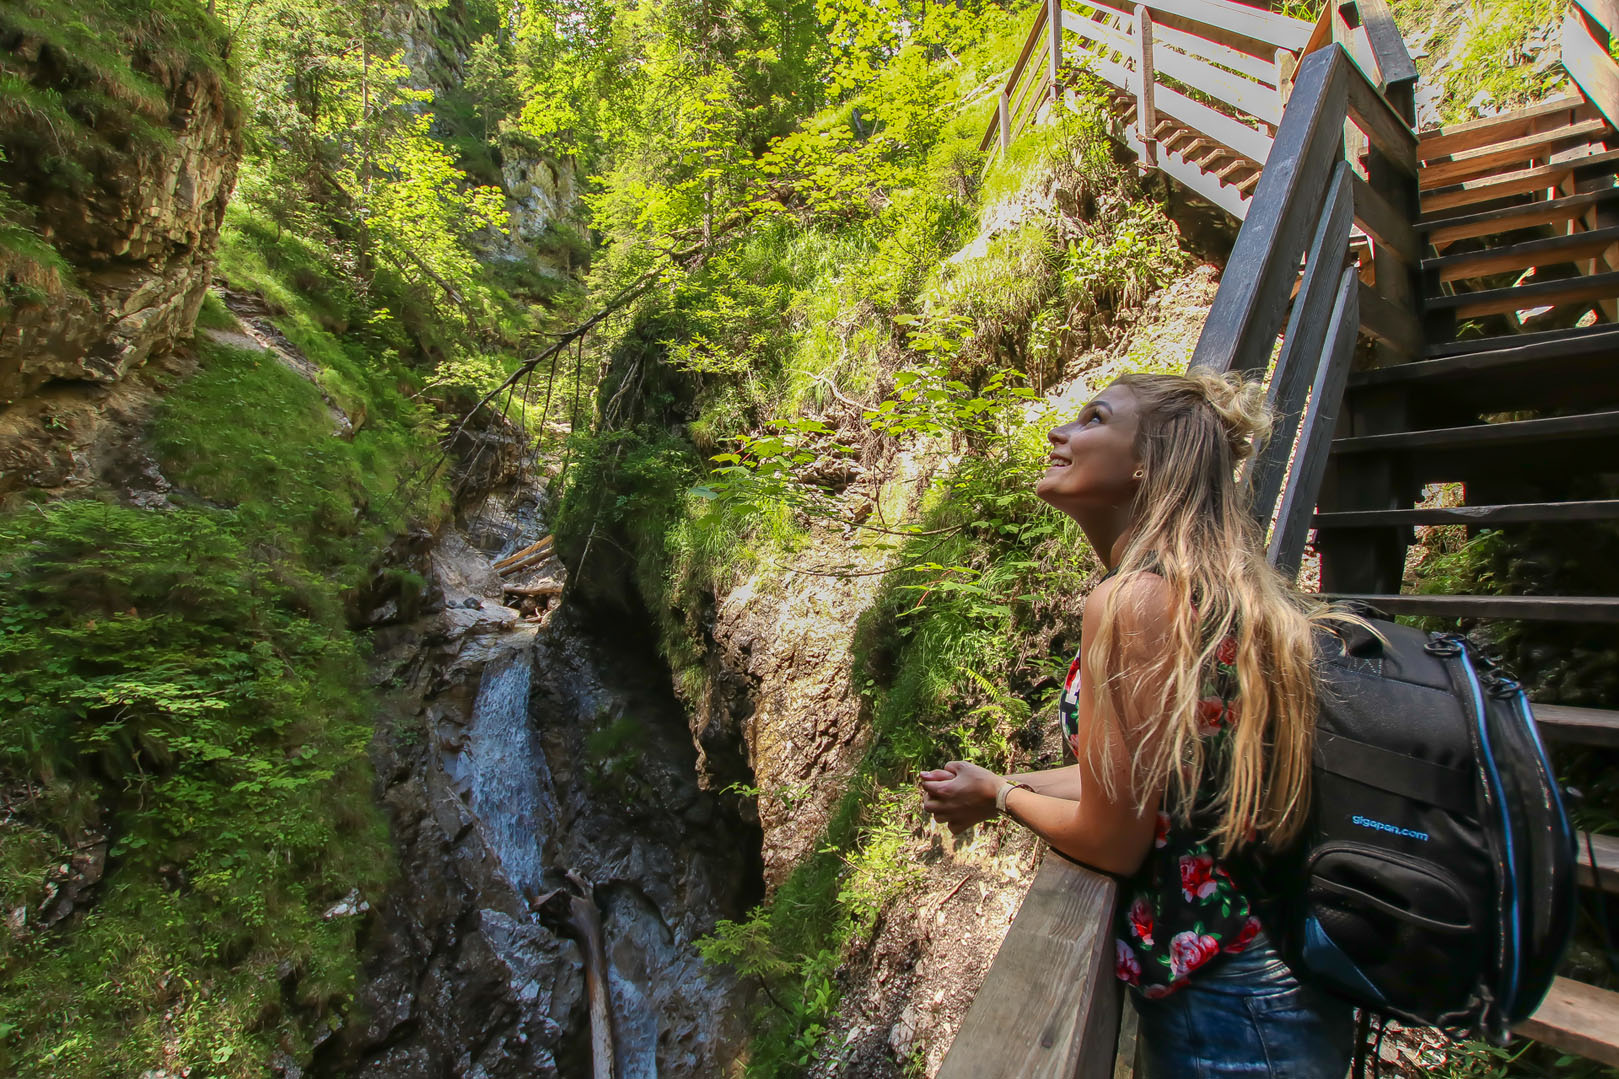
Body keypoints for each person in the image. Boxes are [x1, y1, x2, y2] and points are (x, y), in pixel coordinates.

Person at [919, 368, 1356, 1078]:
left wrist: (1000, 800)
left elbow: (1112, 839)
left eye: (1092, 418)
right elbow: (1151, 781)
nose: (1059, 432)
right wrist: (1003, 779)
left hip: (1229, 1004)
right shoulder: (1201, 588)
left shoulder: (1132, 599)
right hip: (1263, 974)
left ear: (1145, 463)